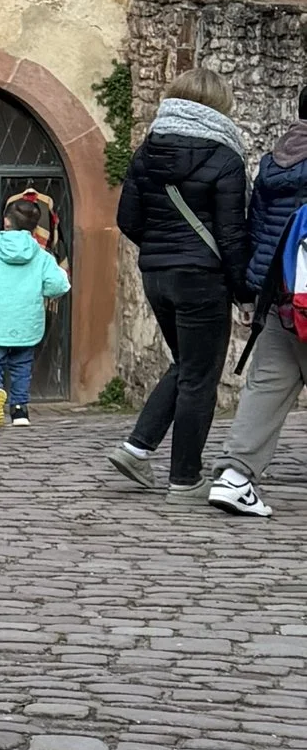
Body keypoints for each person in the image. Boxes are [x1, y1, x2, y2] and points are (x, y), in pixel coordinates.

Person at [106, 67, 251, 502]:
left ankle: (136, 447)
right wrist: (244, 290)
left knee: (186, 364)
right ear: (219, 104)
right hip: (202, 278)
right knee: (200, 377)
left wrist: (161, 252)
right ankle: (185, 478)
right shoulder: (225, 156)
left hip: (156, 274)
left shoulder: (145, 152)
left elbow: (127, 220)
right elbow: (231, 235)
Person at [210, 80, 307, 519]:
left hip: (281, 297)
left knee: (267, 387)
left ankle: (235, 477)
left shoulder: (276, 161)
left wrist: (250, 293)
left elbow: (255, 228)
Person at [0, 201, 71, 426]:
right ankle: (19, 411)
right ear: (34, 227)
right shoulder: (42, 256)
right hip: (28, 321)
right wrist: (41, 291)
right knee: (22, 366)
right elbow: (60, 285)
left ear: (6, 222)